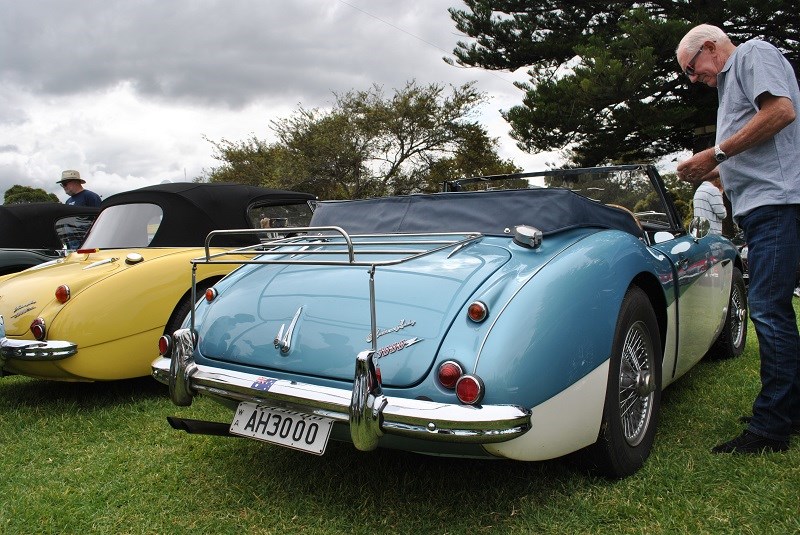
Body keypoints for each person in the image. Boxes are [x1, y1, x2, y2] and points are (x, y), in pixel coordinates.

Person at [676, 24, 800, 454]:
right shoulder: (730, 82)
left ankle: (771, 429)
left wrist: (715, 154)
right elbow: (752, 152)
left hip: (778, 204)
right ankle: (788, 410)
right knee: (774, 308)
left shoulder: (752, 54)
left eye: (692, 69)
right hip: (766, 204)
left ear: (710, 46)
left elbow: (781, 111)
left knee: (767, 310)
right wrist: (707, 170)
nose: (693, 80)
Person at [692, 168, 727, 234]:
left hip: (700, 232)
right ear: (717, 178)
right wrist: (720, 194)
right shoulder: (713, 190)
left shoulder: (699, 189)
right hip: (712, 232)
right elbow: (722, 214)